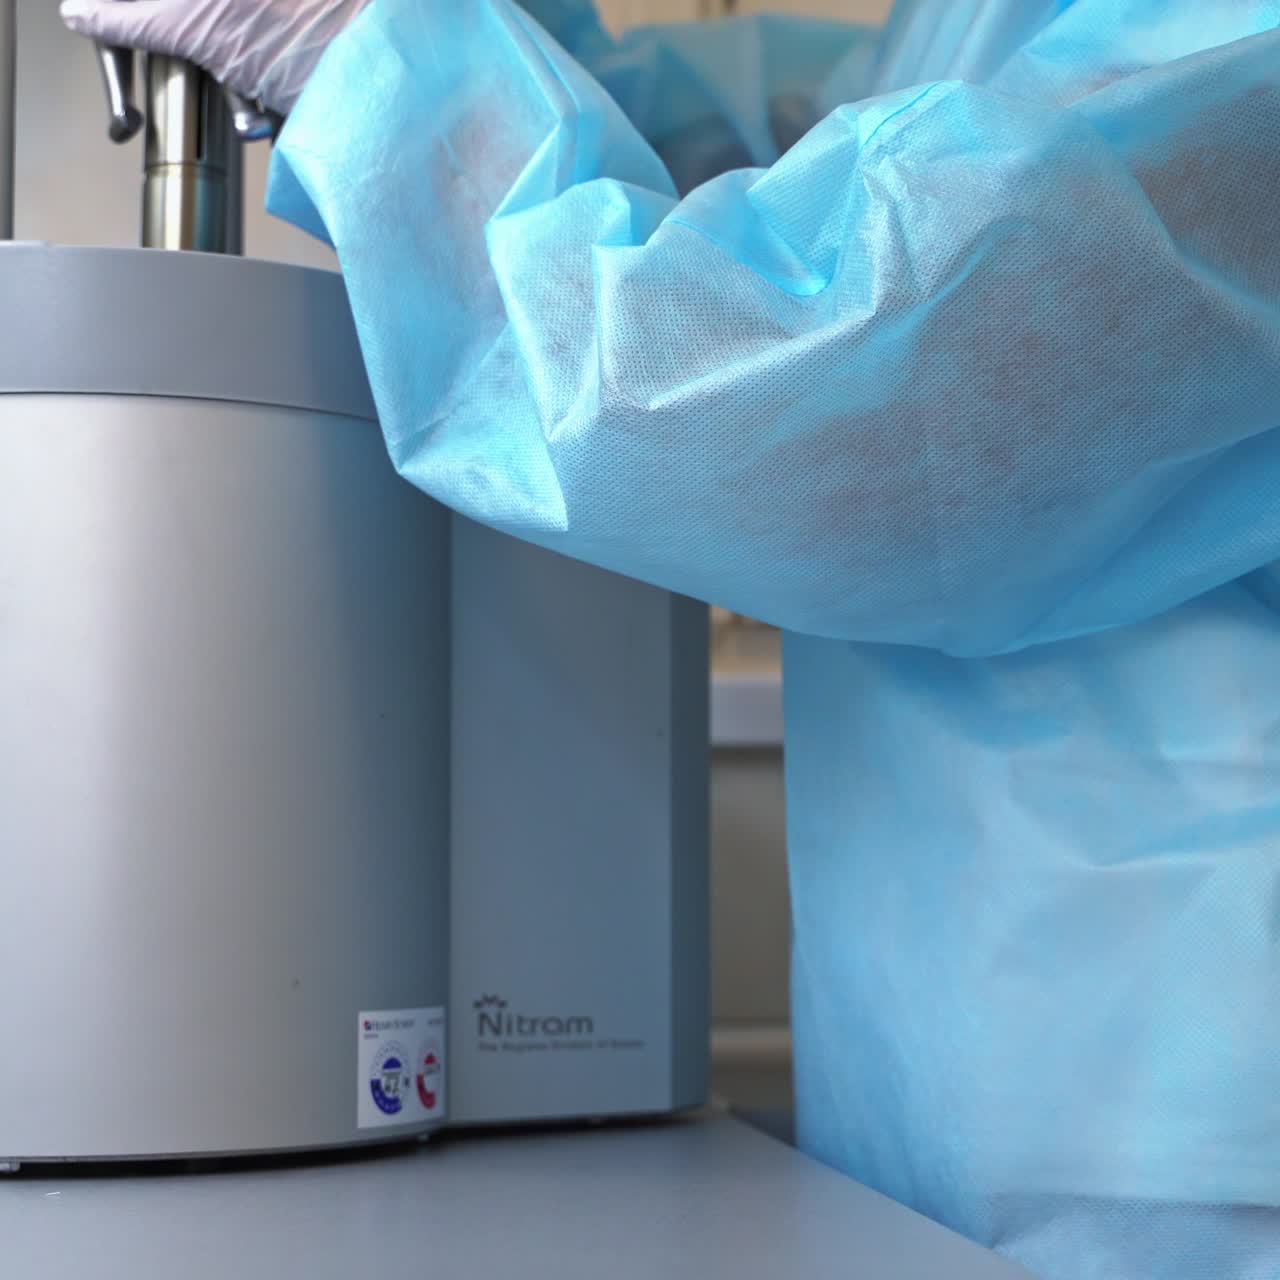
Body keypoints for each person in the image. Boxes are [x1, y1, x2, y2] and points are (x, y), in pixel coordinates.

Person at [59, 0, 1280, 1274]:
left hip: (1177, 1131)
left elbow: (842, 381)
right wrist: (462, 36)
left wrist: (370, 58)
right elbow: (763, 151)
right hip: (968, 1099)